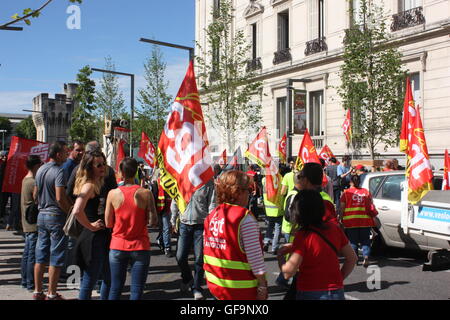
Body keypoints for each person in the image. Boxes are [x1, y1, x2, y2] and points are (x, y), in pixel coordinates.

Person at [277, 189, 357, 300]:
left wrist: (280, 256)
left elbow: (288, 272)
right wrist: (339, 278)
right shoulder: (334, 229)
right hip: (336, 291)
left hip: (310, 291)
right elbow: (352, 258)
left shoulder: (303, 235)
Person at [203, 170, 268, 300]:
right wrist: (263, 285)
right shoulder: (244, 218)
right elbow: (255, 258)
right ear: (238, 192)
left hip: (216, 285)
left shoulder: (212, 215)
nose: (249, 194)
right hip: (240, 290)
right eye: (248, 190)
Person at [105, 157, 158, 300]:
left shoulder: (112, 194)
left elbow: (108, 223)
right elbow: (154, 222)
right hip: (140, 246)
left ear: (121, 173)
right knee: (136, 290)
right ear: (135, 172)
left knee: (115, 288)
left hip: (117, 245)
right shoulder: (145, 193)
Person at [33, 141, 72, 300]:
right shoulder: (59, 171)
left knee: (40, 255)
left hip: (41, 215)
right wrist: (69, 211)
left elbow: (35, 195)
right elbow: (59, 197)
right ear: (58, 155)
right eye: (65, 152)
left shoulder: (41, 169)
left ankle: (37, 291)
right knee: (56, 256)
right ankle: (52, 293)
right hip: (55, 216)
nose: (67, 154)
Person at [71, 150, 111, 300]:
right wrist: (91, 225)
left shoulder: (98, 183)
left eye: (104, 164)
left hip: (101, 236)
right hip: (94, 238)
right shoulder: (89, 186)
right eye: (98, 165)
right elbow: (77, 211)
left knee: (108, 277)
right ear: (89, 167)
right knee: (90, 279)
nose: (102, 167)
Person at [171, 177, 216, 300]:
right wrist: (173, 219)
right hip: (184, 224)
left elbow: (212, 204)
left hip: (201, 226)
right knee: (180, 257)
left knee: (199, 259)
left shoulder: (208, 183)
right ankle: (187, 278)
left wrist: (210, 224)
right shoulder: (182, 179)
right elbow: (175, 200)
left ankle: (197, 288)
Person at [339, 174, 378, 268]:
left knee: (353, 241)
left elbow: (342, 207)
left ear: (351, 182)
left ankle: (355, 259)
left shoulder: (346, 193)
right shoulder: (366, 192)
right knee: (366, 241)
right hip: (365, 221)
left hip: (351, 221)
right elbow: (371, 205)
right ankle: (366, 256)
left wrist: (340, 218)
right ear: (359, 181)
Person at [20, 155, 43, 292]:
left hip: (27, 222)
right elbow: (37, 198)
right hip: (32, 223)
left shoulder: (25, 179)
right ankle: (30, 283)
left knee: (27, 253)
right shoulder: (33, 182)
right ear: (36, 166)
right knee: (32, 254)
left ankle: (25, 280)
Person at [262, 175, 283, 255]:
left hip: (268, 209)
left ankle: (266, 242)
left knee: (270, 226)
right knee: (277, 229)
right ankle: (275, 248)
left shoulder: (264, 180)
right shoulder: (280, 179)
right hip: (278, 209)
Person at [155, 178, 174, 257]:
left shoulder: (171, 180)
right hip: (159, 208)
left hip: (166, 207)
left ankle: (167, 247)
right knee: (163, 228)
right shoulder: (157, 181)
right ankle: (163, 243)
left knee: (166, 228)